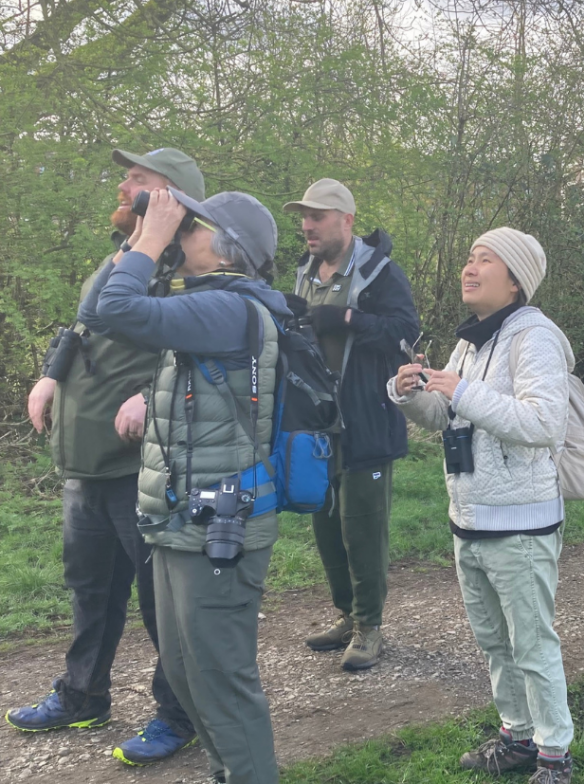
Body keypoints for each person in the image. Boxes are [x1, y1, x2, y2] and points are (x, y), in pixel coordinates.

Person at [77, 187, 290, 784]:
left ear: (225, 247)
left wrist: (150, 238)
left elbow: (118, 311)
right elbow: (97, 313)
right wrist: (138, 239)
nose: (180, 232)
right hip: (178, 522)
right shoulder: (204, 305)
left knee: (221, 678)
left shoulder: (228, 309)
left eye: (191, 225)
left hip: (218, 525)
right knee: (184, 669)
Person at [7, 148, 200, 767]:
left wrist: (153, 393)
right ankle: (83, 692)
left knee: (159, 601)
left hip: (141, 468)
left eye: (136, 180)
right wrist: (49, 375)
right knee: (90, 588)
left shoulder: (190, 264)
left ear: (167, 195)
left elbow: (208, 348)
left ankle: (179, 715)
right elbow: (84, 326)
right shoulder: (123, 255)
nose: (121, 186)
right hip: (85, 459)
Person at [390, 228, 575, 784]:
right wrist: (412, 393)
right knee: (494, 642)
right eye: (469, 257)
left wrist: (461, 391)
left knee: (532, 643)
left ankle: (554, 755)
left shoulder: (534, 337)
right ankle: (517, 735)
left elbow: (545, 424)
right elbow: (447, 419)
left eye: (485, 260)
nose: (469, 268)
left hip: (521, 524)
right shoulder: (471, 341)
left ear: (515, 280)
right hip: (469, 518)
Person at [285, 178, 419, 670]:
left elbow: (406, 332)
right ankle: (346, 615)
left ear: (347, 220)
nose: (307, 226)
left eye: (317, 216)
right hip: (315, 425)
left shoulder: (380, 272)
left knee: (362, 529)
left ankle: (370, 627)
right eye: (304, 217)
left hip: (366, 422)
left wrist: (348, 319)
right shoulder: (305, 271)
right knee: (325, 527)